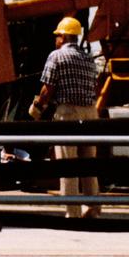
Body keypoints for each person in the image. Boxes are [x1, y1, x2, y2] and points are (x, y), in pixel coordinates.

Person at [28, 16, 101, 218]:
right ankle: (93, 209)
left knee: (68, 164)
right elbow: (95, 87)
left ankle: (73, 212)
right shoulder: (89, 58)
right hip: (90, 113)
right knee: (89, 164)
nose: (55, 40)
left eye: (57, 36)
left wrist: (36, 108)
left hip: (68, 113)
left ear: (63, 36)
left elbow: (47, 88)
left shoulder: (56, 56)